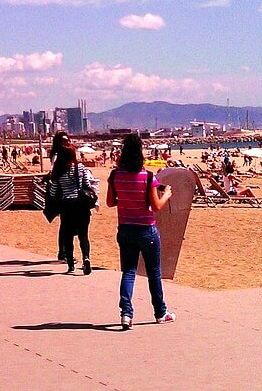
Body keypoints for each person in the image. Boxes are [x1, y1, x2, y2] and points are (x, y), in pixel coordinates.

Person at [106, 132, 174, 330]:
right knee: (154, 272)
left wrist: (125, 199)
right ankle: (160, 312)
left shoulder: (115, 175)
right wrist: (167, 194)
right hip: (146, 229)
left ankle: (126, 314)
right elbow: (156, 206)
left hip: (125, 228)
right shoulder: (147, 177)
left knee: (128, 271)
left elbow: (110, 202)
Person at [51, 138, 94, 275]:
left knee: (67, 235)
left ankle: (70, 264)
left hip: (67, 205)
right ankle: (86, 258)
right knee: (83, 235)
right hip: (81, 205)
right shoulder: (80, 167)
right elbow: (87, 184)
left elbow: (53, 191)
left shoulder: (59, 170)